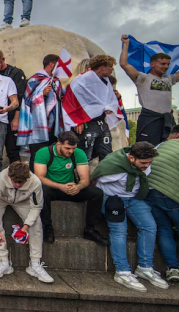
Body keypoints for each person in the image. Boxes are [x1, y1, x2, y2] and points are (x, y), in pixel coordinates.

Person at [91, 142, 165, 292]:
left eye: (149, 163)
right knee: (119, 231)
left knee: (149, 226)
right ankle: (122, 271)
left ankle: (145, 267)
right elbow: (94, 180)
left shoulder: (144, 165)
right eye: (143, 163)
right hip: (112, 198)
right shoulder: (112, 167)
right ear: (131, 158)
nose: (147, 166)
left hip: (133, 198)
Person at [32, 131, 107, 245]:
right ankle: (47, 228)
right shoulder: (43, 153)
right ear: (58, 144)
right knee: (41, 191)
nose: (71, 151)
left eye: (73, 148)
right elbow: (39, 177)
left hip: (71, 188)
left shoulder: (78, 153)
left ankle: (90, 229)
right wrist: (60, 186)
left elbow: (85, 179)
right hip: (52, 188)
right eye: (67, 148)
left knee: (97, 193)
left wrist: (78, 187)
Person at [0, 162, 52, 283]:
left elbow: (37, 206)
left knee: (36, 223)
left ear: (27, 178)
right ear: (9, 175)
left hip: (23, 201)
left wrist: (26, 227)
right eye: (14, 181)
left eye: (21, 182)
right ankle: (4, 262)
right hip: (2, 199)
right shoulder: (0, 179)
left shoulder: (35, 182)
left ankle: (35, 264)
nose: (17, 185)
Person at [120, 34, 178, 146]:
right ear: (152, 64)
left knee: (171, 147)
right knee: (146, 149)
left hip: (167, 119)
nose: (166, 67)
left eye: (168, 64)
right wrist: (126, 45)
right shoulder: (143, 78)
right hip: (150, 119)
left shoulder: (170, 78)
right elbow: (124, 64)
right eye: (163, 64)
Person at [145, 125, 179, 281]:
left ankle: (173, 268)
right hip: (169, 193)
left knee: (164, 230)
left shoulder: (159, 146)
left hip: (150, 192)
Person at [70, 55, 119, 162]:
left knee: (107, 155)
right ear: (102, 67)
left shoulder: (106, 81)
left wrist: (110, 106)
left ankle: (104, 173)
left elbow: (108, 99)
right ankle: (82, 173)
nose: (112, 69)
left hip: (101, 123)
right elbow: (72, 101)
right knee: (84, 156)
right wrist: (78, 121)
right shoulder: (81, 80)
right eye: (110, 66)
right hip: (86, 124)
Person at [19, 54, 63, 168]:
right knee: (38, 154)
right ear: (51, 64)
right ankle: (35, 177)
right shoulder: (35, 79)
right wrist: (41, 94)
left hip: (53, 124)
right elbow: (27, 100)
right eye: (58, 64)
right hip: (37, 125)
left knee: (52, 154)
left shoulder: (56, 81)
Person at [0, 50, 27, 166]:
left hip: (11, 117)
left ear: (3, 60)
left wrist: (16, 118)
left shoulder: (16, 73)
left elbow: (20, 97)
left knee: (12, 150)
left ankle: (18, 175)